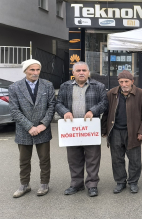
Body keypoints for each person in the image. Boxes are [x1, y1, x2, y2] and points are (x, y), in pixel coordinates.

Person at [55, 62, 108, 197]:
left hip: (90, 128)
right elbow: (58, 103)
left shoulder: (98, 86)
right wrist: (65, 112)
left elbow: (104, 103)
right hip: (72, 129)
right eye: (78, 70)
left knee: (93, 158)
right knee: (74, 158)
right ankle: (76, 184)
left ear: (88, 72)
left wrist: (93, 110)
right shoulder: (65, 86)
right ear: (73, 73)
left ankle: (92, 185)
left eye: (84, 70)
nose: (81, 72)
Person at [8, 59, 55, 198]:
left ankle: (44, 183)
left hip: (43, 128)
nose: (35, 73)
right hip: (24, 129)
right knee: (24, 160)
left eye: (37, 70)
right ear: (25, 71)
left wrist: (43, 124)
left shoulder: (47, 85)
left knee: (44, 159)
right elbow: (14, 110)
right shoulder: (14, 87)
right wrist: (29, 127)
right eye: (32, 70)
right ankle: (24, 185)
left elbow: (51, 106)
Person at [101, 70, 142, 194]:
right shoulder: (111, 94)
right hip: (115, 131)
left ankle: (133, 182)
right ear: (118, 82)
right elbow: (106, 114)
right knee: (117, 159)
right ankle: (120, 182)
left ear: (132, 81)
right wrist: (104, 130)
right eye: (121, 81)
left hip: (133, 132)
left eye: (126, 81)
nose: (124, 84)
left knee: (134, 160)